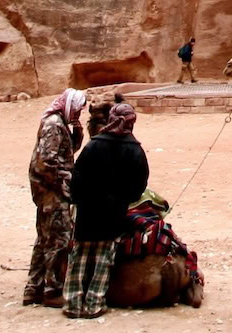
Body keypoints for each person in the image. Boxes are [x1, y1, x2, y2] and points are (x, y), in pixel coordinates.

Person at [65, 101, 150, 319]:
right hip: (113, 214)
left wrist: (79, 199)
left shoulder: (93, 145)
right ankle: (94, 303)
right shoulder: (135, 150)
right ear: (131, 122)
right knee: (104, 258)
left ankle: (73, 303)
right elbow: (138, 187)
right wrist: (121, 199)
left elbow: (77, 176)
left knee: (80, 255)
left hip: (87, 211)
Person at [22, 89, 87, 307]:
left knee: (44, 237)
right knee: (60, 238)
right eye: (78, 109)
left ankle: (34, 288)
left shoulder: (60, 124)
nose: (79, 114)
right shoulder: (54, 125)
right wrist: (63, 185)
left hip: (47, 191)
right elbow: (46, 162)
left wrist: (76, 135)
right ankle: (53, 290)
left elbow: (64, 153)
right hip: (52, 192)